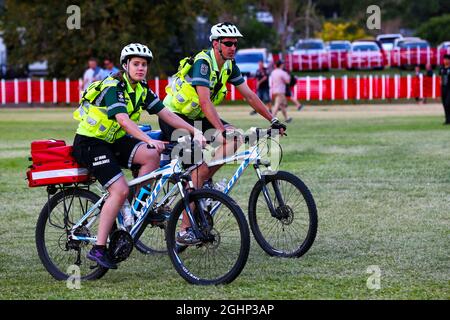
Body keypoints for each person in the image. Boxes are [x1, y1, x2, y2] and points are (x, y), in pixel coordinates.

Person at [72, 43, 204, 269]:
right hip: (90, 143)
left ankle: (138, 209)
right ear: (125, 66)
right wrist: (149, 139)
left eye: (144, 64)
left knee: (151, 157)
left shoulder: (142, 88)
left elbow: (166, 114)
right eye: (136, 64)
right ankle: (99, 248)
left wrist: (195, 131)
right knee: (119, 189)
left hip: (113, 140)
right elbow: (123, 119)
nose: (141, 68)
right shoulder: (114, 86)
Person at [158, 22, 286, 245]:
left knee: (235, 138)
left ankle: (204, 177)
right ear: (215, 44)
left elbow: (250, 96)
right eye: (228, 43)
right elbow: (205, 101)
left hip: (197, 118)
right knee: (198, 171)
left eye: (235, 43)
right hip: (175, 118)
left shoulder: (229, 65)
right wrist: (219, 129)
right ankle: (183, 229)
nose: (233, 47)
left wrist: (272, 119)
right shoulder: (203, 63)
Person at [439, 54, 450, 125]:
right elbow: (440, 79)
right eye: (444, 59)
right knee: (444, 104)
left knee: (448, 103)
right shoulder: (441, 68)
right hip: (443, 88)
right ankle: (447, 120)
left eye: (447, 59)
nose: (445, 60)